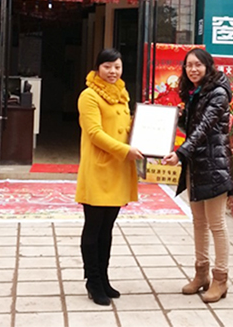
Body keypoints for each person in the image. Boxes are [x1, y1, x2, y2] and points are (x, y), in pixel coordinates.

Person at [162, 48, 233, 303]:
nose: (193, 69)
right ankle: (201, 274)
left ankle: (220, 279)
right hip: (196, 165)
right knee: (199, 223)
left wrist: (180, 154)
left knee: (217, 224)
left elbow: (203, 128)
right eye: (188, 65)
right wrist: (173, 118)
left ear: (208, 66)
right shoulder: (196, 92)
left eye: (198, 65)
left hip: (214, 166)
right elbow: (193, 126)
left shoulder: (218, 93)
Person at [75, 48, 143, 306]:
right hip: (99, 170)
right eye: (107, 66)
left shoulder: (121, 95)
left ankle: (103, 279)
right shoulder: (89, 96)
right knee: (93, 228)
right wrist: (126, 151)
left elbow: (124, 128)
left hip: (118, 170)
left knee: (107, 229)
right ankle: (92, 282)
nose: (113, 71)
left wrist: (149, 127)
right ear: (98, 68)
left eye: (117, 66)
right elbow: (94, 133)